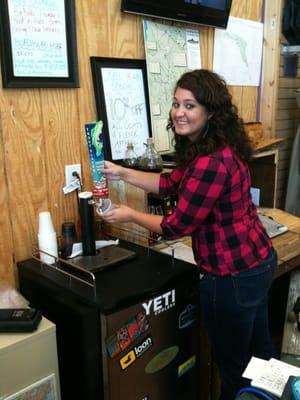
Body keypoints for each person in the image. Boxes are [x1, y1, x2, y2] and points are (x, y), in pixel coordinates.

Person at [101, 69, 277, 400]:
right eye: (175, 103)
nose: (179, 112)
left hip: (232, 276)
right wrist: (122, 172)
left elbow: (176, 226)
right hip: (257, 262)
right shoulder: (211, 145)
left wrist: (127, 215)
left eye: (190, 105)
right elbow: (169, 183)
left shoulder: (211, 162)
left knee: (234, 368)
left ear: (210, 111)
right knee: (261, 356)